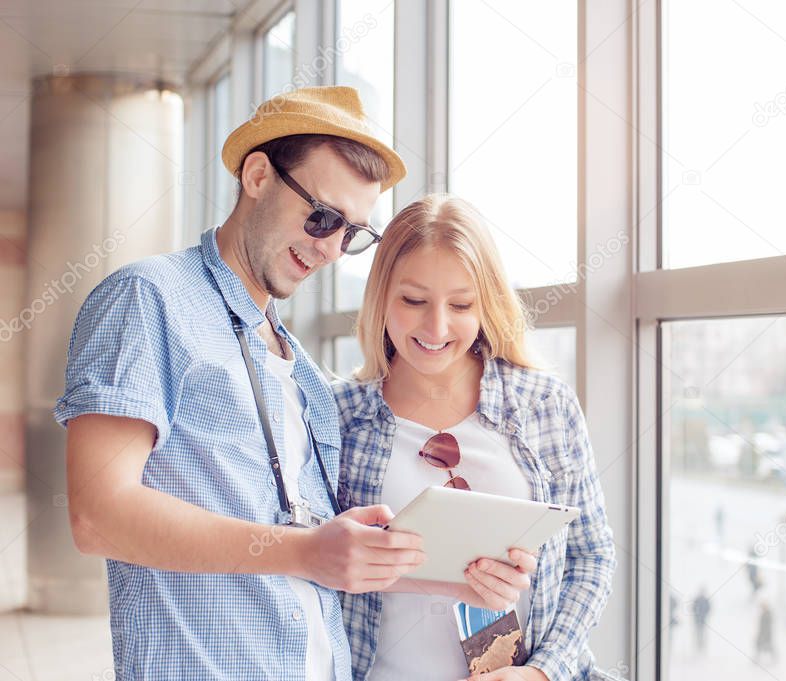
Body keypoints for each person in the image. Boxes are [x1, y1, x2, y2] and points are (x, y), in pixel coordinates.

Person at [58, 86, 431, 680]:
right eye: (323, 216)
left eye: (352, 234)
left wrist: (461, 568)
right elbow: (98, 514)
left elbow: (316, 544)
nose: (330, 248)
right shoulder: (148, 298)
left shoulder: (301, 369)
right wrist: (305, 551)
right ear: (258, 175)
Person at [333, 195, 617, 681]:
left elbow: (592, 556)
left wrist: (543, 672)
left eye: (461, 304)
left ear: (486, 304)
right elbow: (309, 568)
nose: (437, 327)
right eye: (414, 301)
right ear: (380, 296)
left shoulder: (543, 405)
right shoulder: (337, 418)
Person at [692, 588, 711, 653]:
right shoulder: (697, 599)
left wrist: (704, 614)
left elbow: (709, 608)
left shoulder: (706, 600)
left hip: (703, 620)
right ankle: (698, 646)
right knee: (698, 633)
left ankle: (702, 646)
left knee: (703, 633)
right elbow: (693, 608)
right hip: (697, 620)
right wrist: (696, 614)